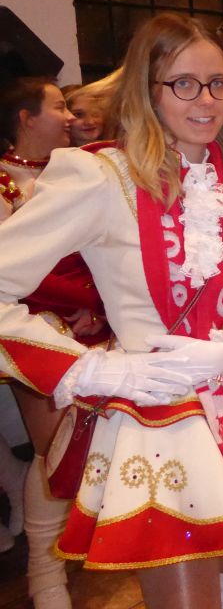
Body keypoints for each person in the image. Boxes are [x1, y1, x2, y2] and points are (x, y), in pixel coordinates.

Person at [0, 13, 223, 609]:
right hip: (156, 416)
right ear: (146, 89)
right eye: (184, 83)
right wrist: (88, 368)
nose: (206, 100)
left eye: (218, 83)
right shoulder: (100, 177)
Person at [1, 76, 110, 609]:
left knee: (90, 448)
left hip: (99, 327)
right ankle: (44, 575)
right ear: (26, 118)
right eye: (59, 106)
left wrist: (103, 305)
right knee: (55, 452)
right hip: (36, 333)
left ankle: (76, 545)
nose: (70, 117)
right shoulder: (3, 183)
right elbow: (13, 270)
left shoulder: (79, 171)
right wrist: (79, 305)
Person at [64, 69, 120, 146]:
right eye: (78, 115)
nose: (90, 122)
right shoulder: (56, 153)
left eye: (95, 114)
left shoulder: (116, 149)